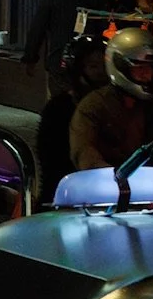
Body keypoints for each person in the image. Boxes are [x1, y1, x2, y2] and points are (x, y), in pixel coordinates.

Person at [70, 27, 153, 171]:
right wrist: (111, 176)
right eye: (140, 68)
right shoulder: (93, 106)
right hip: (105, 189)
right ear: (121, 66)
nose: (147, 75)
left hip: (150, 189)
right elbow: (84, 154)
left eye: (151, 69)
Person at [37, 38, 108, 206]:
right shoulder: (59, 109)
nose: (101, 73)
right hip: (67, 199)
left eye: (104, 66)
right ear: (77, 70)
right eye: (93, 67)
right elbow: (52, 164)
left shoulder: (115, 106)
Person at [22, 0, 86, 86]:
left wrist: (30, 58)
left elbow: (38, 28)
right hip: (87, 60)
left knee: (59, 101)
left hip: (58, 58)